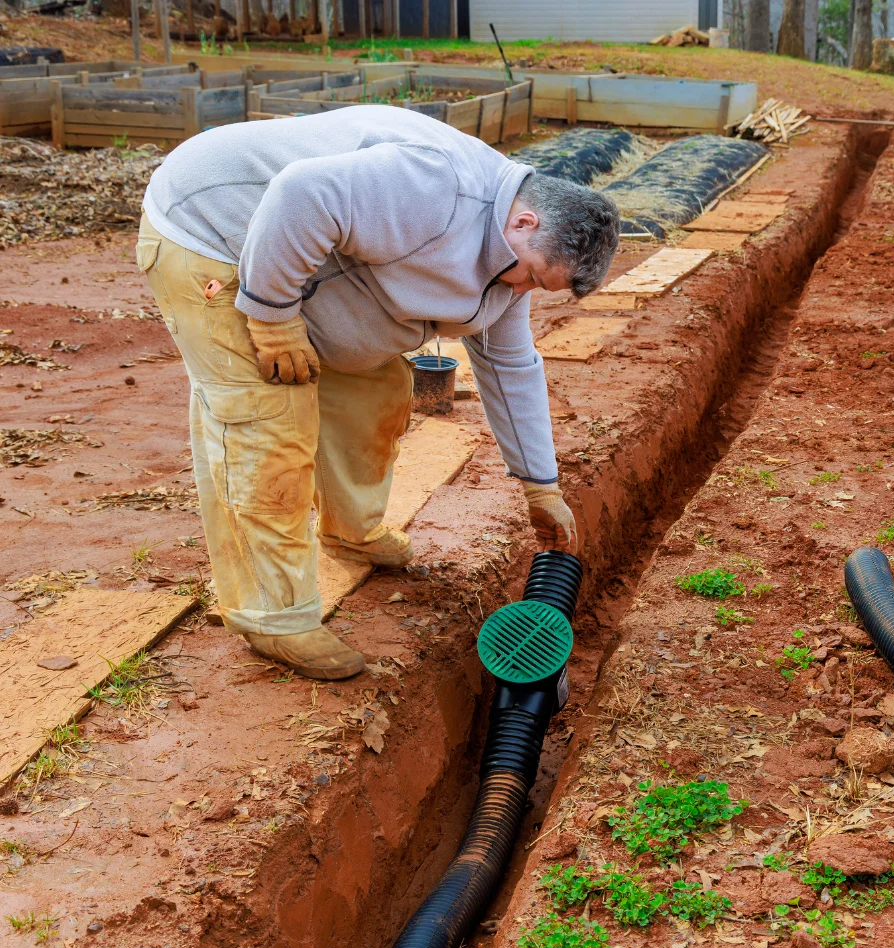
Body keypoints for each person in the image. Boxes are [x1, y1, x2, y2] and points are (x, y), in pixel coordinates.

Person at [135, 105, 620, 681]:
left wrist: (540, 485)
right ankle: (274, 618)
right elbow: (301, 194)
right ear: (524, 223)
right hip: (215, 229)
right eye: (535, 276)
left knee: (376, 386)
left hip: (305, 258)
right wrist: (270, 316)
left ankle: (350, 531)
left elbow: (512, 366)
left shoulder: (508, 264)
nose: (526, 292)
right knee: (267, 427)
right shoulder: (437, 189)